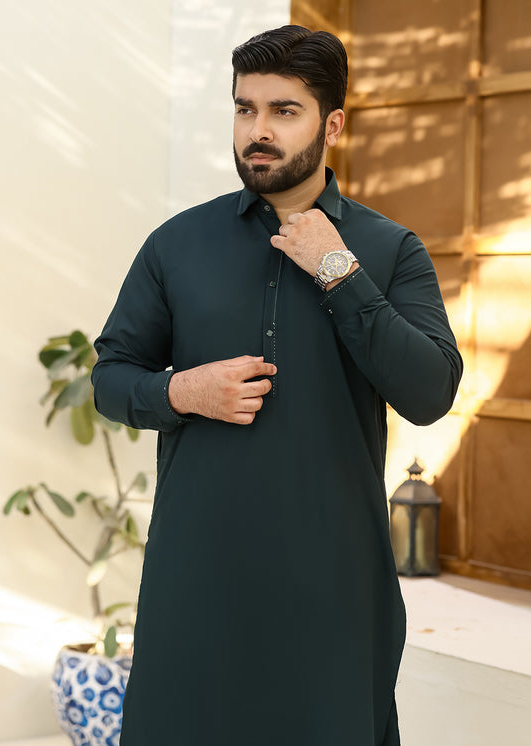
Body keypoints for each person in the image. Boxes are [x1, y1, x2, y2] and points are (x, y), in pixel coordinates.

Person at [92, 24, 462, 746]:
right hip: (195, 582)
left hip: (335, 589)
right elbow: (111, 377)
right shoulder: (178, 244)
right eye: (245, 108)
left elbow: (429, 393)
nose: (257, 131)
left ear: (332, 125)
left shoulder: (389, 250)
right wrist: (180, 392)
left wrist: (338, 271)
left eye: (283, 111)